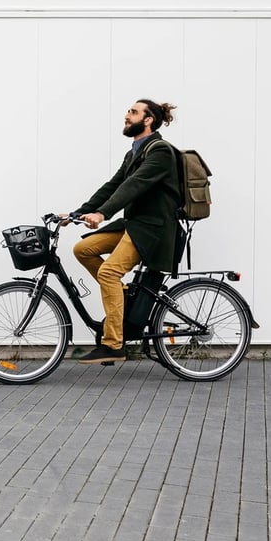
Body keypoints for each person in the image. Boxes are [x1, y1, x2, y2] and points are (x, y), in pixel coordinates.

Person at [65, 99, 181, 364]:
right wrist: (77, 213)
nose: (126, 116)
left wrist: (102, 213)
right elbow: (114, 185)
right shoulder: (134, 153)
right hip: (135, 226)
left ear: (148, 119)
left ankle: (114, 344)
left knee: (108, 272)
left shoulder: (160, 151)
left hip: (153, 230)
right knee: (83, 249)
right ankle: (124, 293)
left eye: (133, 112)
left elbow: (134, 186)